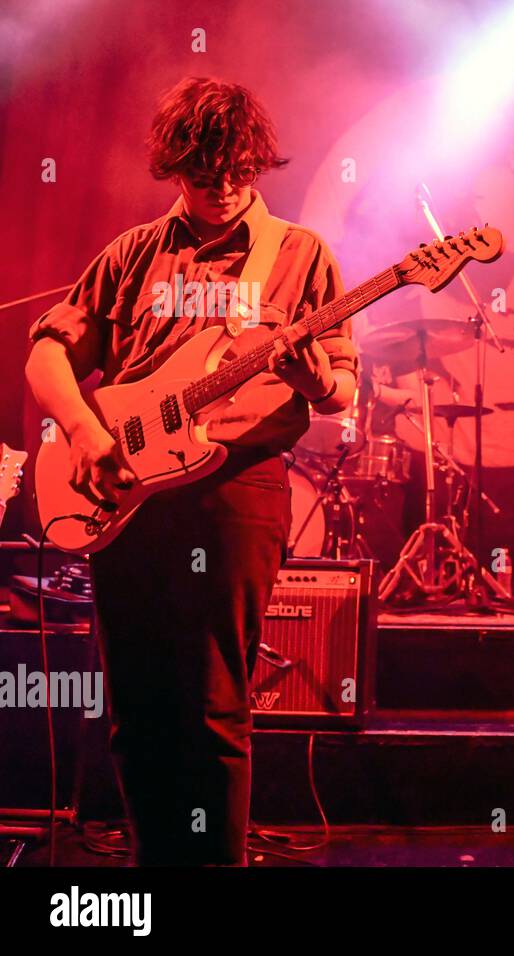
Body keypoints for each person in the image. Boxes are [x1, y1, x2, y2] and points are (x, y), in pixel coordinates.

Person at [25, 76, 357, 865]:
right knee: (136, 704)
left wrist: (313, 379)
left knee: (214, 702)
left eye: (238, 172)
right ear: (175, 167)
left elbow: (342, 390)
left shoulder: (299, 255)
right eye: (205, 175)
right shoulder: (134, 252)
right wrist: (83, 430)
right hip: (123, 486)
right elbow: (48, 353)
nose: (224, 189)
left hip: (236, 488)